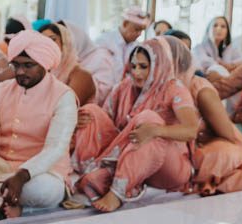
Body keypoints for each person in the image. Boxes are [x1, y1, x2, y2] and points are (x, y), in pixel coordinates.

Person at [73, 39, 198, 213]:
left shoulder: (174, 89)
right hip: (131, 160)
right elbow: (107, 126)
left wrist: (155, 130)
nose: (137, 73)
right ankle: (89, 176)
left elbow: (191, 130)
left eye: (144, 67)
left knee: (148, 117)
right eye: (133, 66)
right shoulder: (123, 88)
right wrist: (78, 120)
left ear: (158, 65)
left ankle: (117, 192)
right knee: (91, 112)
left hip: (169, 166)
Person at [0, 31, 77, 217]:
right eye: (16, 65)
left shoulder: (63, 96)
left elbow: (55, 148)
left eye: (28, 65)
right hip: (1, 167)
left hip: (40, 174)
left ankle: (6, 201)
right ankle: (7, 201)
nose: (20, 72)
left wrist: (21, 176)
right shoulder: (2, 90)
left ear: (44, 64)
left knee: (43, 190)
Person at [165, 36, 242, 196]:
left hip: (208, 147)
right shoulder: (154, 86)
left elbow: (227, 134)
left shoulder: (200, 90)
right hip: (173, 150)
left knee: (223, 154)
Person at [37, 21, 97, 106]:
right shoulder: (42, 73)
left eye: (52, 40)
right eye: (42, 41)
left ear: (65, 43)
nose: (47, 45)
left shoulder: (81, 75)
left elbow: (66, 109)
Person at [95, 6, 152, 87]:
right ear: (125, 24)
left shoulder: (137, 47)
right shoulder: (104, 41)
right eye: (136, 29)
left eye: (141, 31)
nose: (139, 34)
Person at [62, 19, 116, 104]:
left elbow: (104, 93)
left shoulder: (101, 58)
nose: (63, 46)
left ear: (75, 38)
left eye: (65, 40)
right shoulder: (66, 60)